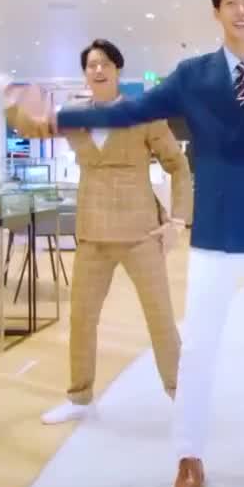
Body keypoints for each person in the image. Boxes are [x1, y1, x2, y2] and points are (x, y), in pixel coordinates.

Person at [6, 0, 244, 487]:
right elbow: (131, 110)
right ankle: (189, 456)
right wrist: (56, 119)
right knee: (197, 352)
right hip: (212, 235)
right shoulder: (192, 75)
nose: (240, 10)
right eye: (230, 1)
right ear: (216, 11)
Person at [40, 39, 192, 424]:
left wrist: (178, 220)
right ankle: (79, 398)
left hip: (141, 232)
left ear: (118, 70)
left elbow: (178, 165)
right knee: (81, 318)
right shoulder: (75, 118)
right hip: (92, 232)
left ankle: (182, 395)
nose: (98, 70)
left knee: (160, 318)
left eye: (105, 63)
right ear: (84, 73)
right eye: (91, 64)